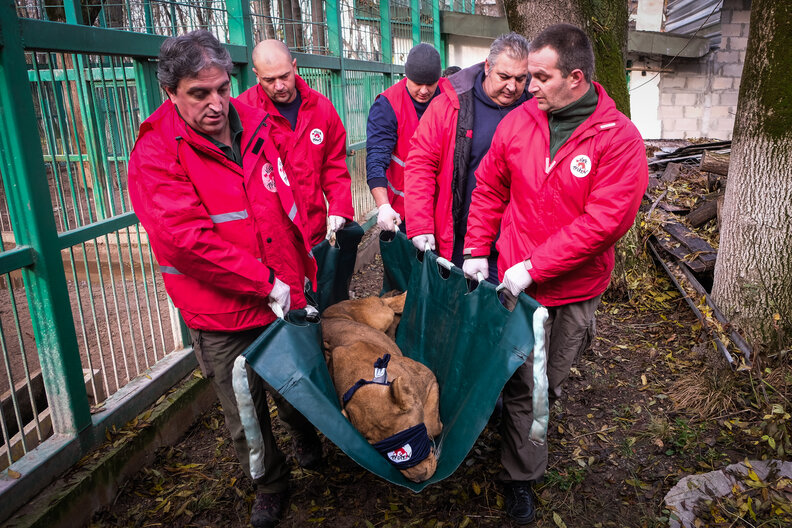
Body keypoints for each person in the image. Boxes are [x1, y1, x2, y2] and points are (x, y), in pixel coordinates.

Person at [127, 30, 323, 528]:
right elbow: (187, 242)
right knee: (245, 411)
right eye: (200, 93)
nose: (217, 104)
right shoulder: (156, 152)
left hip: (280, 296)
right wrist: (265, 283)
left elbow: (282, 205)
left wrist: (297, 281)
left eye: (222, 88)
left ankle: (306, 435)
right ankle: (270, 484)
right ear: (170, 93)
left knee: (296, 384)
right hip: (222, 312)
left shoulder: (256, 121)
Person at [462, 24, 648, 523]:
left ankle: (519, 455)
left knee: (544, 383)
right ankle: (516, 459)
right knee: (518, 378)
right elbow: (489, 189)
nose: (529, 86)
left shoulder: (619, 141)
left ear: (577, 78)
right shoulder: (520, 122)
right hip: (514, 287)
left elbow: (603, 224)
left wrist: (535, 266)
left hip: (570, 290)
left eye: (541, 77)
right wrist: (478, 248)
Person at [405, 32, 531, 283]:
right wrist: (420, 224)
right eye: (504, 77)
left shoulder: (535, 107)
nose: (512, 86)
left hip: (514, 243)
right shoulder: (449, 105)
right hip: (457, 237)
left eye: (520, 78)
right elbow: (420, 164)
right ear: (487, 67)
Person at [238, 39, 353, 248]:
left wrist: (339, 207)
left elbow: (334, 164)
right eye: (269, 80)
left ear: (294, 66)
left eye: (284, 76)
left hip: (314, 225)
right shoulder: (243, 113)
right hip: (270, 234)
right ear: (256, 75)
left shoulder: (322, 109)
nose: (279, 86)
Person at [366, 43, 452, 232]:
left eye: (430, 83)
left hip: (446, 208)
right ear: (406, 76)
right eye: (417, 83)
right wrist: (383, 206)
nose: (423, 90)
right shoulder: (387, 105)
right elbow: (376, 158)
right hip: (403, 212)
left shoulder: (452, 95)